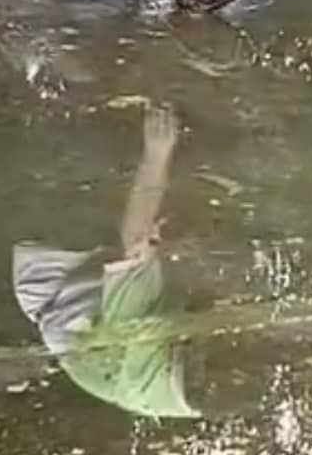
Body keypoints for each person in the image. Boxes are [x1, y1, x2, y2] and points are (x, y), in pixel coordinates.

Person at [13, 103, 198, 421]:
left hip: (52, 280)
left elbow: (135, 239)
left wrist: (157, 152)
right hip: (82, 324)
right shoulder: (186, 392)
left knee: (131, 220)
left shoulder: (143, 340)